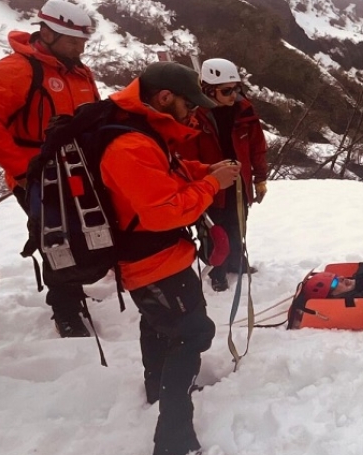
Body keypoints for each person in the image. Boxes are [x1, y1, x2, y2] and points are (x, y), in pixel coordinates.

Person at [98, 61, 238, 455]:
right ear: (164, 97)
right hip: (152, 261)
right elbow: (165, 210)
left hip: (159, 258)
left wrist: (204, 170)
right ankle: (174, 439)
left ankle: (157, 386)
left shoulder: (141, 131)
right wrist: (212, 184)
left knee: (161, 324)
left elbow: (166, 174)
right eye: (188, 103)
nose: (193, 111)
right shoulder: (130, 145)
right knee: (194, 333)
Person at [0, 0, 99, 338]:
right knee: (55, 238)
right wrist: (23, 169)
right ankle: (66, 309)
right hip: (38, 171)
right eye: (72, 41)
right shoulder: (17, 69)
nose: (78, 48)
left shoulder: (79, 73)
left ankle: (74, 291)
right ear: (47, 33)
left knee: (83, 232)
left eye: (82, 42)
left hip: (77, 167)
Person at [173, 58, 269, 292]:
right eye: (227, 91)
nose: (233, 95)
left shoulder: (244, 111)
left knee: (238, 224)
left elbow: (257, 145)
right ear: (209, 91)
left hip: (239, 183)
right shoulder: (195, 117)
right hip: (211, 183)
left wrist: (260, 178)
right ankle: (217, 270)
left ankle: (237, 262)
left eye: (236, 89)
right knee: (215, 230)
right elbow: (187, 156)